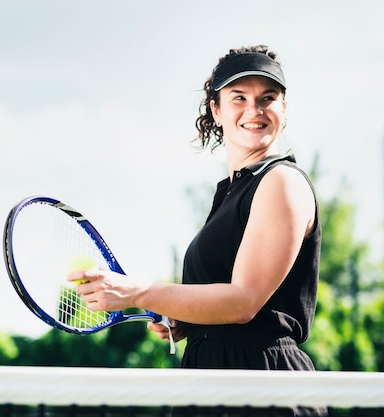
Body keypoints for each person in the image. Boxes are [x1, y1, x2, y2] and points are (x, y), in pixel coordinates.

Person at [69, 44, 326, 417]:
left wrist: (138, 292)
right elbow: (227, 301)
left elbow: (244, 302)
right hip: (212, 382)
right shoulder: (232, 191)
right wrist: (185, 320)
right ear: (216, 110)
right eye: (239, 97)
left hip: (263, 388)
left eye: (267, 98)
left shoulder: (281, 181)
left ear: (283, 110)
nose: (254, 110)